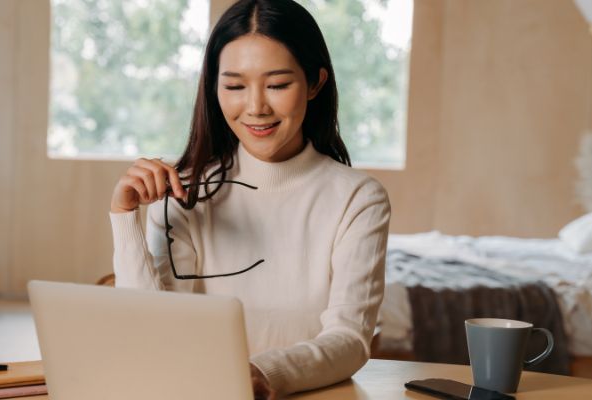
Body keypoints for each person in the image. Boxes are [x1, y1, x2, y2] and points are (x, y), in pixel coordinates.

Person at [109, 0, 390, 398]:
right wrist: (124, 218)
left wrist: (263, 373)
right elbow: (150, 333)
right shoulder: (183, 193)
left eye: (277, 85)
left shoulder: (358, 198)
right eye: (235, 86)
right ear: (214, 88)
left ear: (314, 83)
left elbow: (350, 339)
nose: (256, 107)